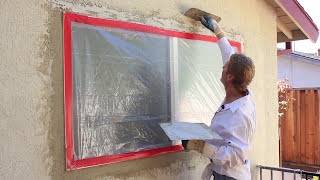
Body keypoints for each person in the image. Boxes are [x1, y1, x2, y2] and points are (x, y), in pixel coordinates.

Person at [182, 16, 257, 180]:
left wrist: (201, 146)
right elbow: (228, 55)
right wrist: (218, 31)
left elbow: (236, 156)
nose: (222, 67)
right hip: (221, 173)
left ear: (229, 77)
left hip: (231, 177)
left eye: (225, 67)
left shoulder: (240, 115)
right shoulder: (240, 87)